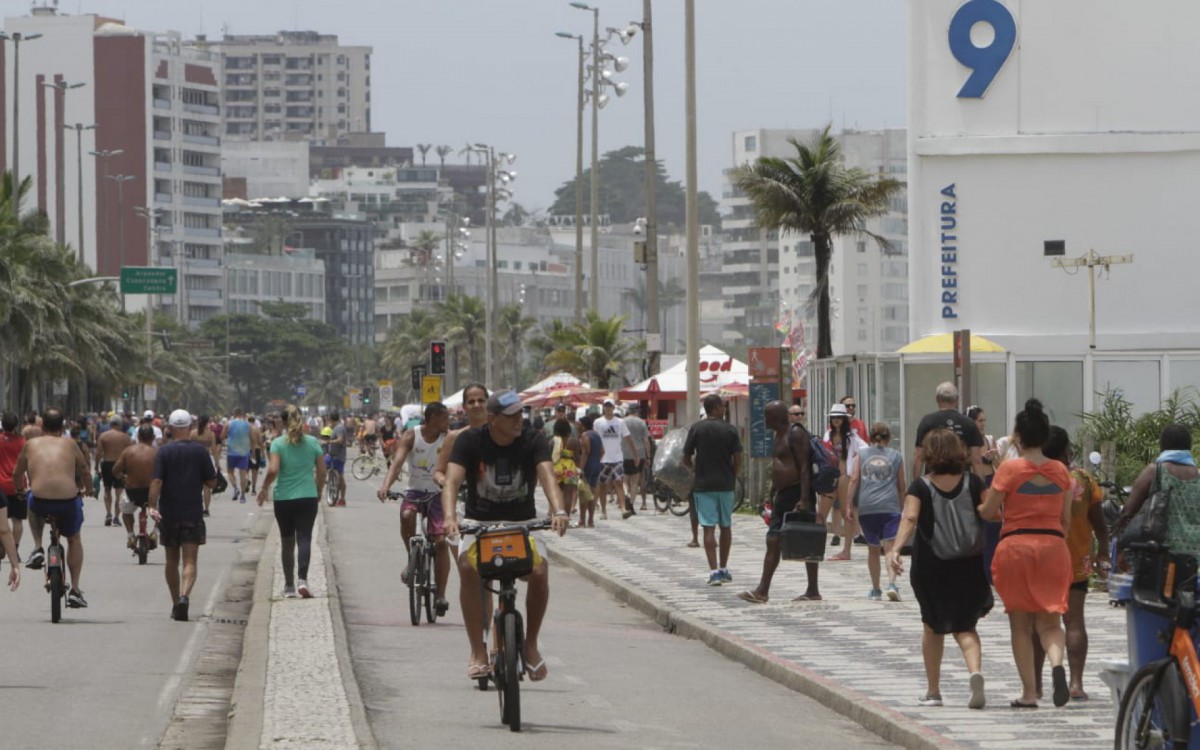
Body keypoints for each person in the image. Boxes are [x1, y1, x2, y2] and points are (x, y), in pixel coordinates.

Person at [442, 389, 569, 681]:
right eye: (511, 416)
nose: (518, 421)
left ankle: (531, 644)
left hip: (522, 523)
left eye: (520, 414)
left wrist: (558, 510)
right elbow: (451, 481)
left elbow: (548, 475)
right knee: (467, 568)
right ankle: (477, 650)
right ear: (492, 418)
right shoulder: (469, 441)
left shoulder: (533, 439)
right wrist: (450, 518)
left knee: (539, 571)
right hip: (479, 524)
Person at [888, 428, 993, 709]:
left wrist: (896, 549)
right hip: (969, 564)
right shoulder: (973, 483)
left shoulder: (920, 486)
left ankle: (934, 691)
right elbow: (992, 512)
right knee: (966, 627)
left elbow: (910, 517)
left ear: (930, 454)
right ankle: (975, 672)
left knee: (932, 626)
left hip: (931, 566)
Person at [979, 399, 1072, 708]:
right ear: (1045, 436)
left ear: (1017, 436)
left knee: (1020, 625)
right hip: (1053, 546)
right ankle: (1057, 665)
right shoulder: (1061, 472)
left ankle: (1029, 693)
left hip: (1016, 547)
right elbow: (1066, 520)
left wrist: (982, 507)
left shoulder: (1009, 469)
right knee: (1050, 623)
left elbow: (990, 511)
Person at [1030, 426, 1110, 702]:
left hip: (1040, 559)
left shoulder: (1035, 476)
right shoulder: (1083, 479)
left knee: (1038, 623)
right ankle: (1076, 683)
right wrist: (1104, 554)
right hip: (1075, 561)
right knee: (1074, 621)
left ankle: (1036, 686)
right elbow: (1100, 524)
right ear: (1067, 450)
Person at [738, 400, 821, 603]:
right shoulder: (778, 435)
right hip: (783, 494)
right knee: (773, 540)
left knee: (805, 539)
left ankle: (808, 589)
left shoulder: (796, 433)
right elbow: (779, 464)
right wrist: (771, 492)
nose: (764, 420)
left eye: (767, 416)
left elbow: (804, 468)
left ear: (776, 417)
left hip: (797, 493)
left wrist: (803, 498)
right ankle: (764, 590)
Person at [12, 407, 91, 606]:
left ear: (43, 426)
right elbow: (84, 469)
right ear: (62, 426)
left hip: (40, 501)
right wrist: (88, 490)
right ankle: (74, 588)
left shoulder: (31, 444)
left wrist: (19, 490)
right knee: (74, 539)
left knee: (30, 498)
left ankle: (38, 547)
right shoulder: (70, 444)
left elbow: (17, 473)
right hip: (67, 502)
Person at [378, 401, 451, 613]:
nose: (448, 422)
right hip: (415, 491)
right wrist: (385, 486)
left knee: (440, 542)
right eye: (445, 418)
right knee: (407, 515)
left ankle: (441, 595)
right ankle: (412, 559)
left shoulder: (448, 438)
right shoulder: (411, 436)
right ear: (433, 418)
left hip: (439, 494)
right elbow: (398, 463)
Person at [149, 409, 218, 621]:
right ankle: (185, 596)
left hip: (169, 512)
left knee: (171, 560)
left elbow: (157, 481)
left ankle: (175, 603)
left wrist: (152, 505)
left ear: (169, 429)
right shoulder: (200, 452)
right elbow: (212, 482)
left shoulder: (164, 452)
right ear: (190, 428)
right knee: (190, 560)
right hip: (192, 511)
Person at [257, 405, 326, 599]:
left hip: (284, 498)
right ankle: (302, 580)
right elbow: (322, 472)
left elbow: (273, 470)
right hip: (307, 496)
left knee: (287, 541)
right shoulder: (313, 442)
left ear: (283, 422)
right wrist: (319, 490)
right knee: (305, 538)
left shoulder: (277, 443)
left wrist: (263, 488)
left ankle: (288, 586)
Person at [683, 394, 742, 585]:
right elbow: (738, 458)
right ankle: (724, 568)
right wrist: (732, 474)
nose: (724, 409)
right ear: (716, 407)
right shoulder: (730, 430)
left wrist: (694, 469)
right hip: (725, 484)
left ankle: (714, 571)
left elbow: (686, 456)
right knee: (725, 526)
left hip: (703, 485)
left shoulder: (696, 429)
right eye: (722, 406)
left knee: (708, 527)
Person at [1115, 423, 1200, 554]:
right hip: (1195, 557)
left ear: (1162, 446)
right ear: (1188, 447)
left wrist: (1121, 548)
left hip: (1160, 555)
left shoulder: (1154, 471)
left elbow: (1128, 512)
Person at [847, 422, 906, 600]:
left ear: (870, 438)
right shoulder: (896, 456)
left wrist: (849, 505)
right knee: (890, 548)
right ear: (889, 438)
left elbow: (854, 479)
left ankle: (875, 589)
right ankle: (893, 584)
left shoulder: (862, 454)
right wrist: (904, 508)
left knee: (873, 549)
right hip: (890, 506)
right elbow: (901, 486)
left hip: (867, 507)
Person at [913, 382, 985, 481]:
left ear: (937, 398)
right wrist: (981, 488)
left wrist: (915, 484)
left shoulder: (927, 421)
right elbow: (976, 460)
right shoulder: (968, 423)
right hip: (961, 482)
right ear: (957, 399)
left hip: (933, 482)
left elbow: (918, 456)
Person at [823, 403, 867, 561]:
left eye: (839, 417)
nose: (836, 420)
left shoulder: (852, 436)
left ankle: (846, 550)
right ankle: (817, 546)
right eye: (833, 417)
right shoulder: (827, 435)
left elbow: (865, 449)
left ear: (844, 419)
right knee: (821, 512)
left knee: (846, 513)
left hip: (844, 476)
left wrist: (855, 463)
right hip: (829, 476)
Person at [967, 405, 1002, 584]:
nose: (982, 424)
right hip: (976, 483)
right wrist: (982, 458)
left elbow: (998, 461)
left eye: (984, 421)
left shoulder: (989, 439)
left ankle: (992, 572)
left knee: (993, 528)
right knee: (979, 528)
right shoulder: (966, 441)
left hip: (991, 481)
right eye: (979, 421)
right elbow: (969, 461)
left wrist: (993, 456)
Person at [114, 425, 160, 552]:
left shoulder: (128, 452)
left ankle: (130, 535)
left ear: (138, 437)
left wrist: (123, 477)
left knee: (126, 512)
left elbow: (115, 470)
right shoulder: (157, 453)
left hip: (132, 492)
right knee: (165, 510)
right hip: (152, 493)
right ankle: (156, 531)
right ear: (153, 437)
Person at [593, 400, 638, 519]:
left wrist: (635, 455)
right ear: (603, 408)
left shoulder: (620, 422)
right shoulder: (598, 422)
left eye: (610, 406)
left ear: (613, 408)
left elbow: (628, 438)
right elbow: (595, 439)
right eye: (606, 406)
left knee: (618, 482)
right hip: (603, 459)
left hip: (617, 458)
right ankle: (603, 511)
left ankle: (623, 509)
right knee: (602, 485)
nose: (608, 408)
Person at [95, 414, 132, 527]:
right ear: (120, 424)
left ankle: (108, 513)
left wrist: (96, 466)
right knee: (119, 492)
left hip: (107, 464)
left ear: (110, 424)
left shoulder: (104, 436)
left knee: (107, 489)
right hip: (120, 465)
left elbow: (98, 453)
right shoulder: (125, 437)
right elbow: (129, 453)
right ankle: (116, 517)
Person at [0, 412, 28, 564]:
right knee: (18, 521)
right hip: (18, 486)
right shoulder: (23, 442)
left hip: (0, 487)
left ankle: (2, 545)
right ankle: (14, 549)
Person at [622, 404, 653, 511]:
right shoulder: (641, 422)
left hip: (624, 453)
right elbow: (646, 441)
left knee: (624, 479)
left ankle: (625, 494)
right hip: (639, 454)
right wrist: (648, 456)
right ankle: (631, 503)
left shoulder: (622, 422)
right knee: (635, 481)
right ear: (637, 411)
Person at [551, 418, 580, 524]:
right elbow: (577, 457)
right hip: (570, 468)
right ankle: (566, 517)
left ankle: (556, 516)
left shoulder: (553, 441)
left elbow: (548, 456)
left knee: (556, 493)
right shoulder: (573, 441)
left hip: (556, 467)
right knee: (568, 494)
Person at [577, 414, 603, 524]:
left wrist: (581, 468)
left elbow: (585, 453)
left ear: (583, 426)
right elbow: (602, 451)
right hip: (597, 463)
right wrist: (597, 460)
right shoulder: (597, 435)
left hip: (588, 465)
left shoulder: (584, 435)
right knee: (592, 493)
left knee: (583, 493)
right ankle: (591, 519)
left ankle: (582, 519)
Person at [225, 408, 252, 503]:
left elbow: (221, 436)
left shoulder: (229, 423)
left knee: (230, 472)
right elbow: (251, 437)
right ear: (242, 414)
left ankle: (235, 488)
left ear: (234, 414)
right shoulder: (248, 425)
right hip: (244, 452)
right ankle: (243, 496)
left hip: (232, 452)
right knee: (243, 474)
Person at [193, 416, 217, 517]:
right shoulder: (210, 434)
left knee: (194, 486)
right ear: (207, 422)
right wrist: (217, 463)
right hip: (207, 459)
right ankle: (206, 509)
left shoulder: (193, 433)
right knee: (207, 487)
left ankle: (195, 507)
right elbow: (214, 450)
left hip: (194, 460)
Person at [325, 411, 348, 506]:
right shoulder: (338, 427)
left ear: (331, 419)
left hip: (337, 456)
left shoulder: (339, 428)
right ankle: (341, 498)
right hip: (335, 455)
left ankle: (342, 498)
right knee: (340, 476)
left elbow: (340, 440)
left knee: (321, 467)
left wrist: (330, 441)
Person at [248, 415, 265, 494]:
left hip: (247, 450)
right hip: (256, 450)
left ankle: (246, 480)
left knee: (245, 470)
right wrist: (263, 454)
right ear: (254, 421)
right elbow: (260, 442)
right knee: (255, 470)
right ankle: (253, 489)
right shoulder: (256, 429)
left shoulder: (245, 429)